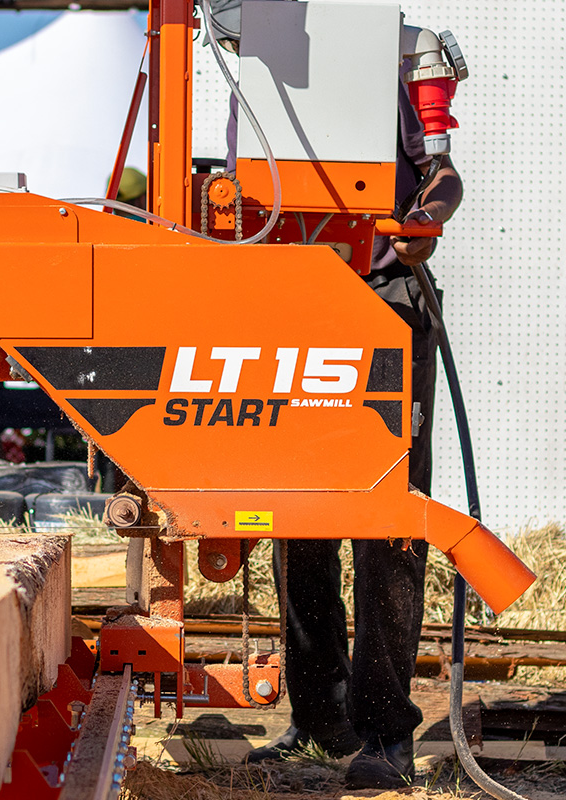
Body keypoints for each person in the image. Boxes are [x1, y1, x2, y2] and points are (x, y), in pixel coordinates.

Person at [209, 1, 464, 790]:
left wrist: (426, 215)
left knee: (386, 515)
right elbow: (237, 184)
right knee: (295, 509)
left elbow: (444, 175)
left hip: (384, 296)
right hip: (289, 298)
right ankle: (319, 719)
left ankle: (387, 733)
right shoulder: (249, 46)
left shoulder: (408, 50)